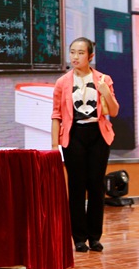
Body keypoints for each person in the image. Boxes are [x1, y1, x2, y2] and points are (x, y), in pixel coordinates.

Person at [51, 37, 119, 253]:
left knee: (96, 186)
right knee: (76, 186)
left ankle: (95, 237)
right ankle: (79, 238)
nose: (75, 57)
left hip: (98, 135)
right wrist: (54, 145)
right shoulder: (62, 82)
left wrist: (105, 91)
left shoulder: (103, 79)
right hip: (74, 135)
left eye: (80, 53)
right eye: (72, 52)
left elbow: (114, 111)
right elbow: (56, 114)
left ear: (90, 56)